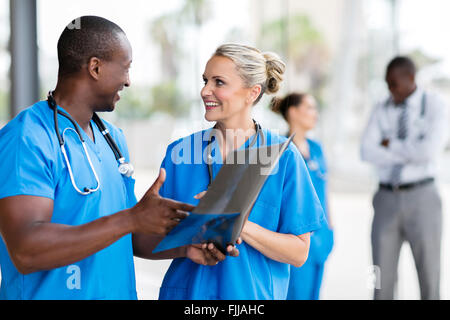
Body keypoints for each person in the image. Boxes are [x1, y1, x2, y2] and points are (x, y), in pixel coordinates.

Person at [0, 16, 234, 300]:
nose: (128, 80)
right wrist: (131, 219)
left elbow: (129, 236)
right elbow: (26, 250)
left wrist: (186, 246)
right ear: (95, 67)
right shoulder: (27, 138)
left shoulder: (113, 139)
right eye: (125, 68)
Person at [153, 43, 326, 300]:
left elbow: (299, 252)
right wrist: (185, 245)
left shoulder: (284, 158)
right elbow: (148, 242)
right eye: (205, 80)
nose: (205, 91)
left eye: (218, 82)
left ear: (252, 92)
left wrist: (238, 224)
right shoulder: (179, 154)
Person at [361, 56, 449, 300]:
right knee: (379, 276)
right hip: (385, 198)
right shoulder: (381, 107)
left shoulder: (435, 105)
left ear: (410, 79)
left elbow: (428, 151)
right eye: (387, 84)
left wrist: (389, 145)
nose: (390, 89)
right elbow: (367, 150)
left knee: (430, 276)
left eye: (394, 83)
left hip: (423, 198)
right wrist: (409, 148)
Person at [270, 93, 334, 300]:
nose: (315, 114)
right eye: (310, 108)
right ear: (293, 112)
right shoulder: (281, 150)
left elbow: (325, 191)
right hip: (296, 236)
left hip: (321, 237)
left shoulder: (317, 149)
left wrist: (331, 228)